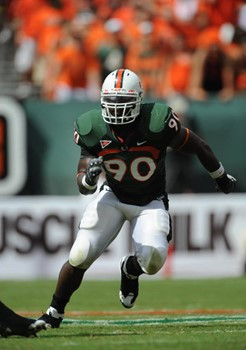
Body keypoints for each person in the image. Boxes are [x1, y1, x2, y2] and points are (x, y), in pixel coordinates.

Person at [38, 68, 236, 328]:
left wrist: (220, 176)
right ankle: (54, 312)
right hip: (114, 196)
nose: (117, 110)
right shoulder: (92, 127)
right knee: (80, 253)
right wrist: (88, 178)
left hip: (150, 200)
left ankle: (130, 269)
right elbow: (83, 185)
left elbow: (198, 145)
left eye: (123, 104)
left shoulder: (156, 121)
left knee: (153, 260)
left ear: (138, 102)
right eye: (112, 104)